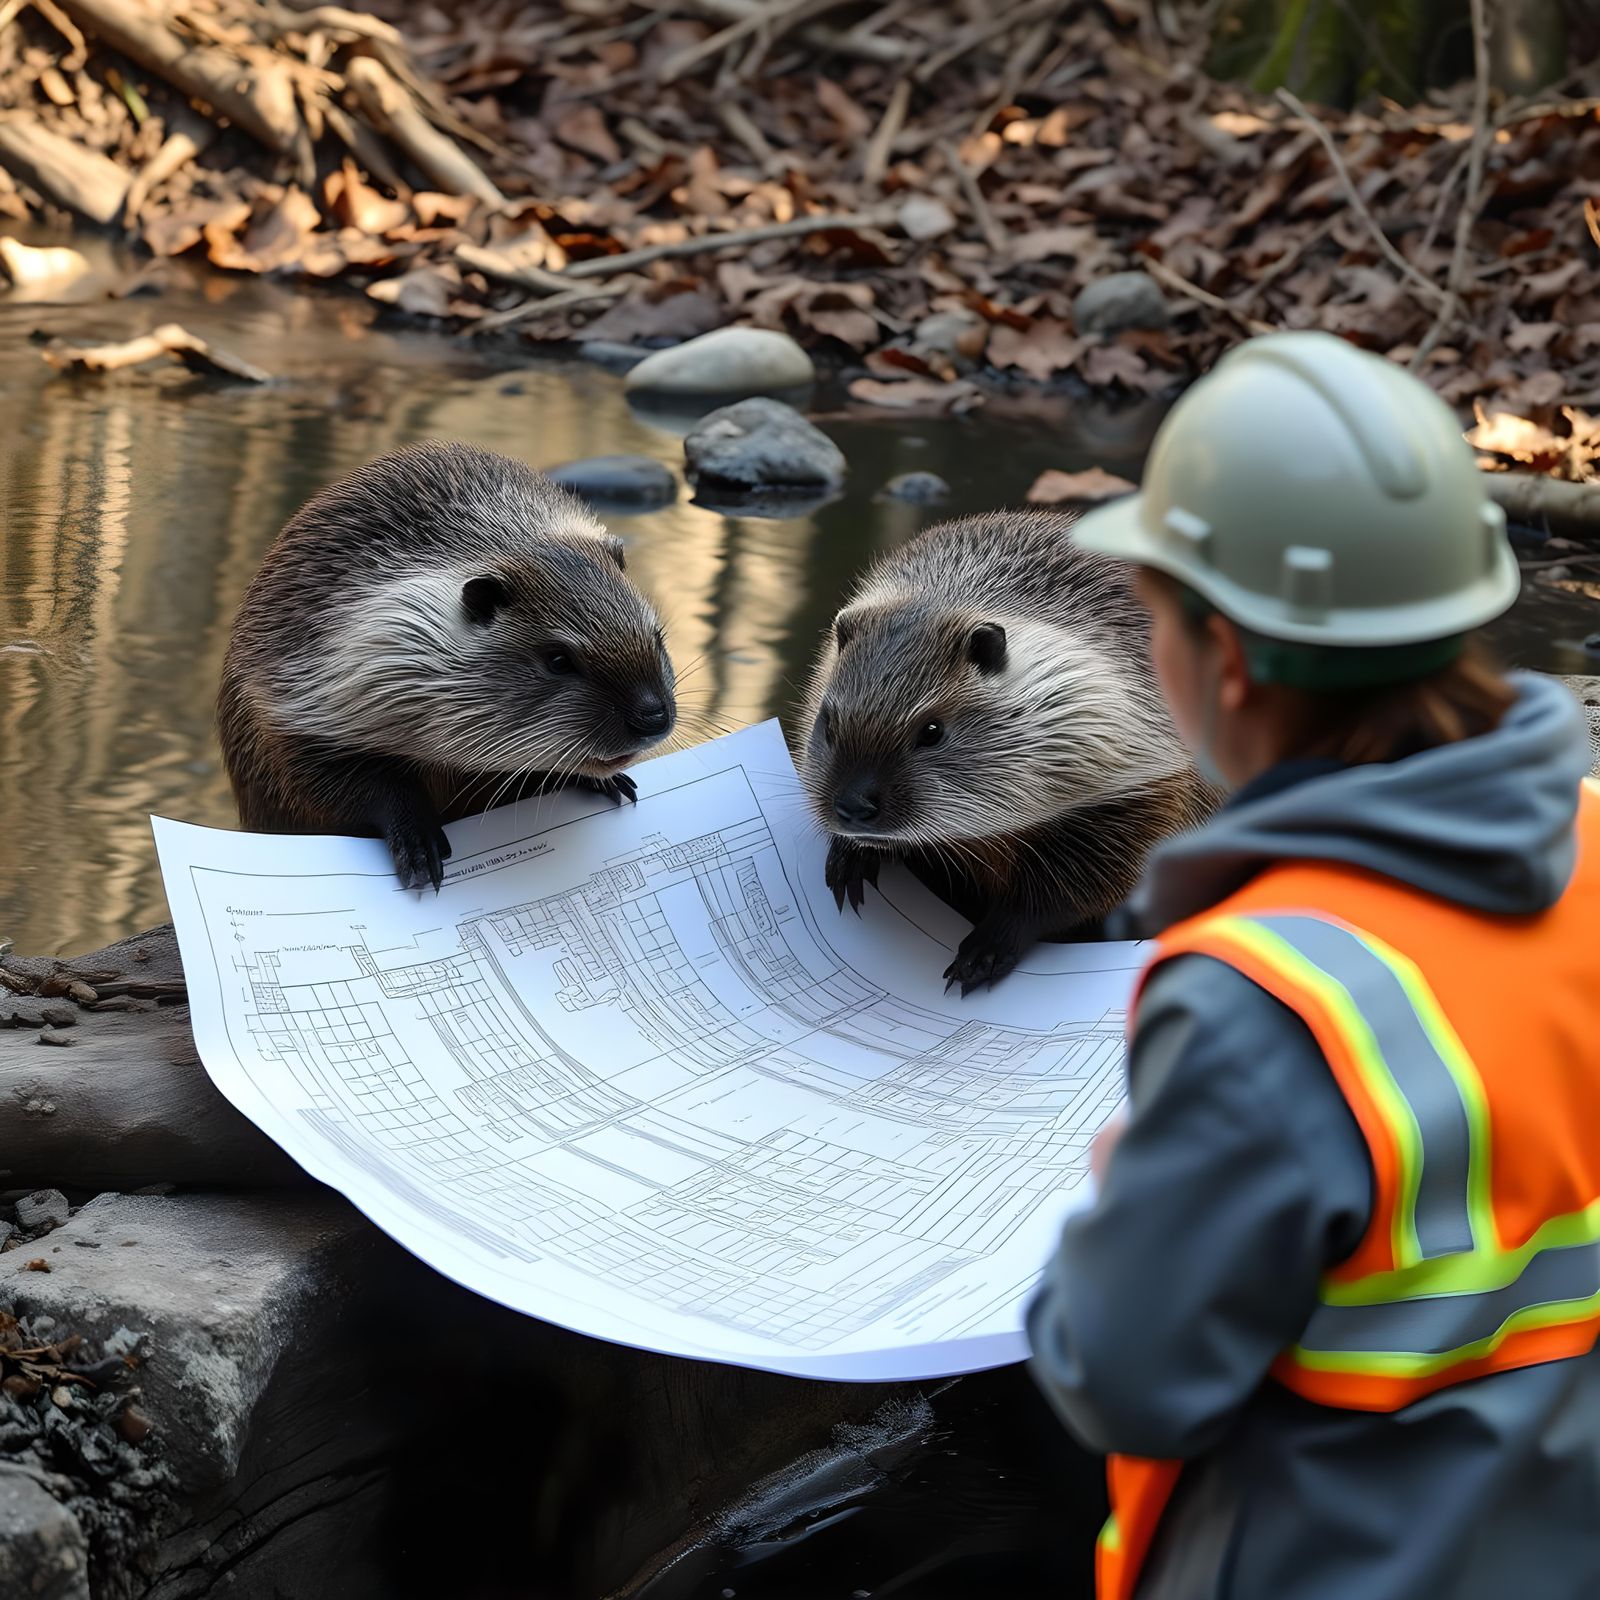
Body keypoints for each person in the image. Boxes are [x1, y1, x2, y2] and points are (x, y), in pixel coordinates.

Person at [1026, 330, 1600, 1600]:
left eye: (1151, 611)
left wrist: (1118, 1208)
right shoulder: (1596, 838)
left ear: (1222, 658)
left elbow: (1118, 1373)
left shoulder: (1268, 995)